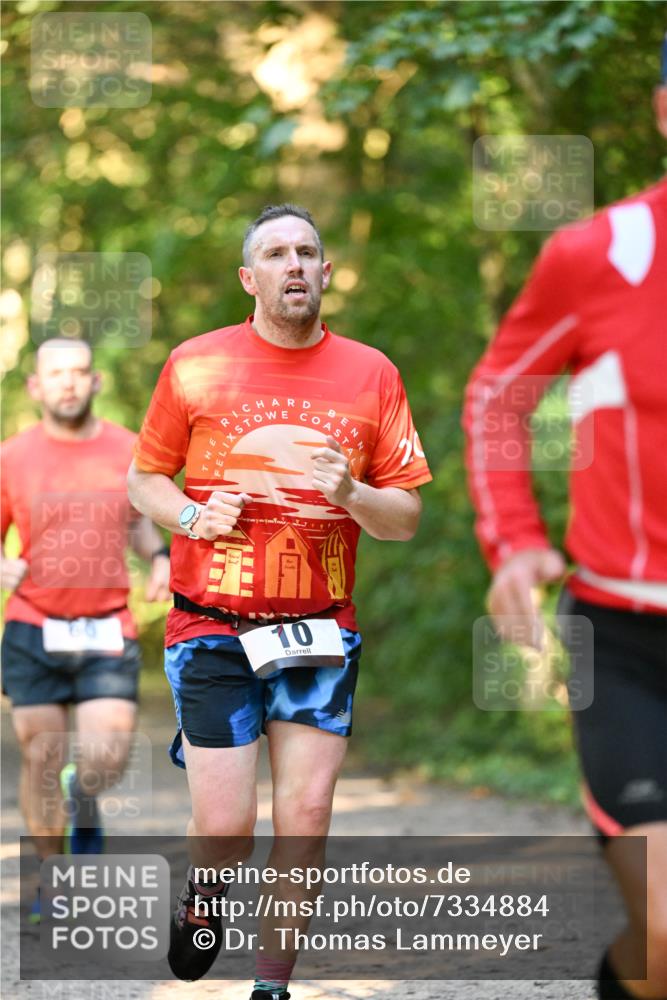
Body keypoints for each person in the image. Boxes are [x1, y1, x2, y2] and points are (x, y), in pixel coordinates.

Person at [127, 203, 431, 998]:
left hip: (318, 633)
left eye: (306, 252)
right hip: (211, 625)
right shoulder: (194, 364)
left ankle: (271, 986)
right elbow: (143, 479)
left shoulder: (373, 373)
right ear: (248, 277)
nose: (292, 265)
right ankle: (205, 889)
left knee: (306, 819)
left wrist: (352, 490)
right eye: (275, 254)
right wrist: (193, 516)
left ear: (326, 272)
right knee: (227, 832)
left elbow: (403, 518)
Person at [463, 47, 667, 1000]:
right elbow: (499, 397)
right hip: (624, 639)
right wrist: (512, 540)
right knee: (664, 935)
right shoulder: (598, 255)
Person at [1, 338, 170, 920]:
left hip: (106, 629)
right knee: (39, 756)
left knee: (104, 758)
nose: (68, 383)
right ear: (36, 387)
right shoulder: (11, 456)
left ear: (96, 381)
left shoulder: (128, 449)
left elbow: (141, 524)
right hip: (32, 625)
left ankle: (85, 796)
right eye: (56, 373)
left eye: (78, 372)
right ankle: (51, 878)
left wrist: (162, 559)